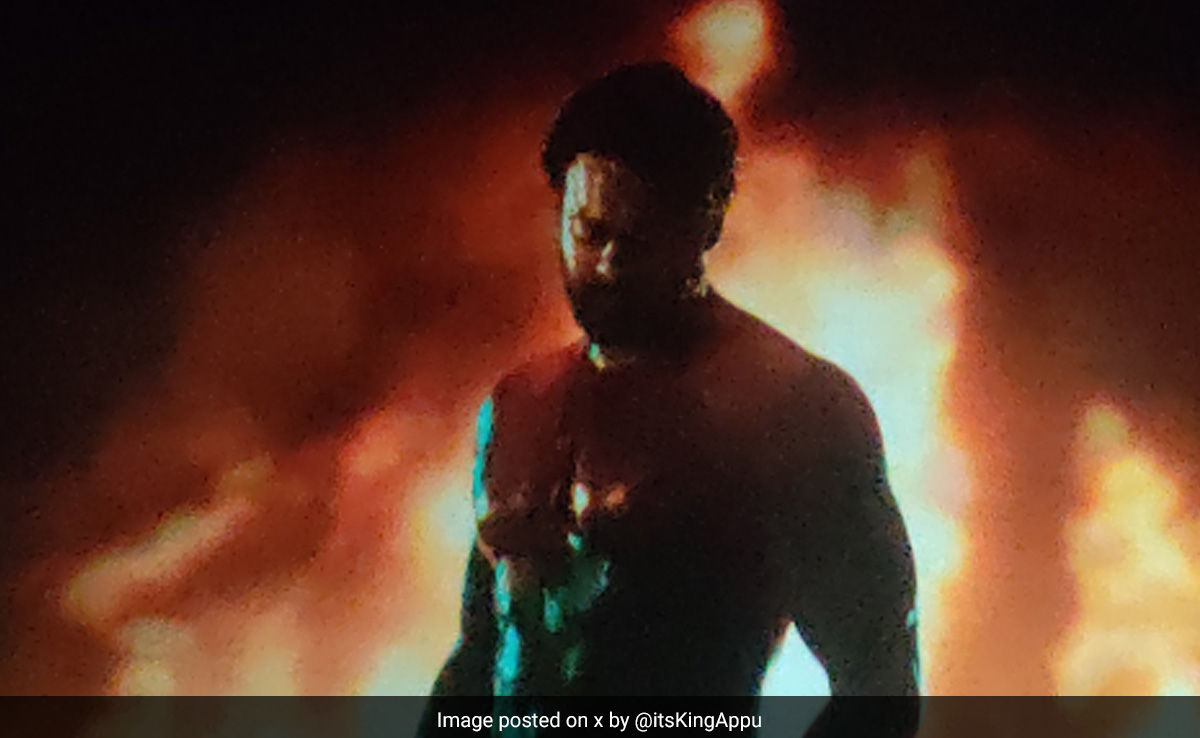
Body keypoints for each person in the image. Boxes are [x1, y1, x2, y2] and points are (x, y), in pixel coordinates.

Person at [423, 62, 919, 734]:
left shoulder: (791, 411)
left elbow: (879, 691)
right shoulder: (519, 404)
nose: (608, 265)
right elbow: (478, 661)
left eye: (639, 240)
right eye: (590, 232)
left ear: (706, 225)